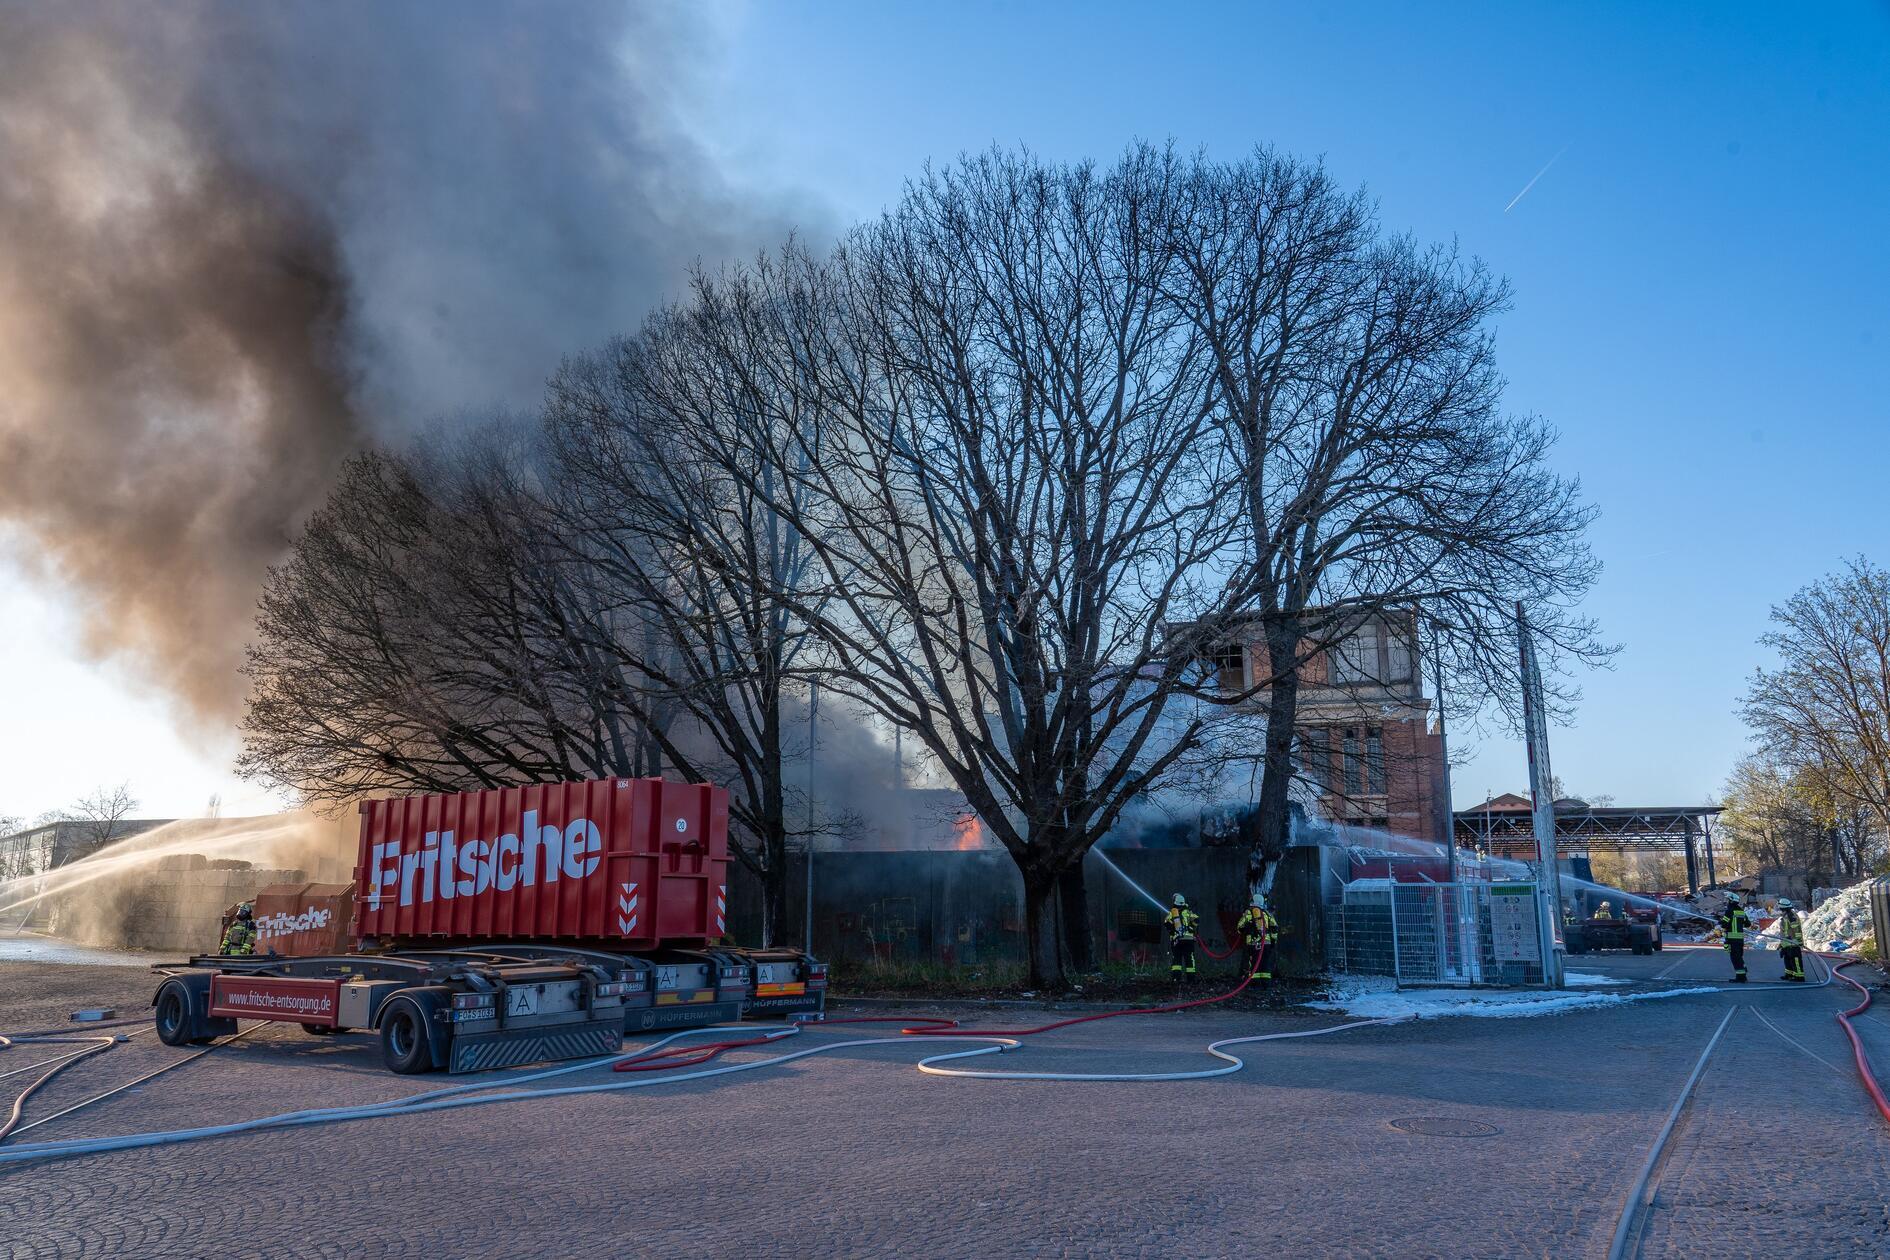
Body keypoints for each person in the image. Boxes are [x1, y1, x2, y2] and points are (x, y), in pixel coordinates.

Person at [1235, 894, 1278, 981]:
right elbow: (1275, 927)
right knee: (1265, 963)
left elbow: (1240, 926)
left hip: (1253, 943)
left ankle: (1254, 983)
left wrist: (1244, 930)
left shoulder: (1249, 913)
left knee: (1254, 964)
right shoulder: (1267, 913)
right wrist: (1273, 941)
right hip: (1266, 944)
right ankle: (1265, 984)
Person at [1164, 893, 1199, 981]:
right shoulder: (1188, 912)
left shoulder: (1173, 912)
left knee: (1176, 959)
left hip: (1177, 940)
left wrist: (1173, 930)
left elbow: (1166, 922)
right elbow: (1197, 920)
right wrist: (1191, 927)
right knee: (1189, 959)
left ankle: (1176, 979)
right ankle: (1191, 980)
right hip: (1189, 940)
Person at [1719, 893, 1750, 983]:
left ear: (1731, 901)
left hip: (1732, 939)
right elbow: (1748, 924)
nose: (1727, 902)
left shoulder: (1729, 911)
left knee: (1735, 958)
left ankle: (1740, 977)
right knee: (1739, 957)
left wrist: (1721, 922)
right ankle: (1743, 973)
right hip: (1740, 939)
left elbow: (1724, 924)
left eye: (1728, 900)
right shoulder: (1741, 911)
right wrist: (1739, 923)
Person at [1775, 898, 1806, 982]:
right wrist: (1781, 944)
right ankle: (1789, 974)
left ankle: (1799, 976)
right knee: (1787, 959)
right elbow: (1785, 931)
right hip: (1787, 943)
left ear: (1782, 907)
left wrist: (1798, 941)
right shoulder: (1785, 916)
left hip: (1793, 943)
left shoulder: (1791, 916)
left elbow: (1797, 930)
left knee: (1795, 960)